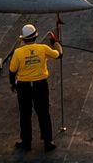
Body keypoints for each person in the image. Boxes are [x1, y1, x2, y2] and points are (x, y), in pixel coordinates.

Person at [8, 23, 60, 151]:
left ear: (23, 39)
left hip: (23, 86)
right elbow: (59, 54)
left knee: (25, 114)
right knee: (43, 113)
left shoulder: (18, 52)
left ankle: (26, 142)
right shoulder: (43, 48)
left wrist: (12, 84)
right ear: (36, 36)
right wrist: (55, 42)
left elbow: (12, 70)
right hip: (40, 85)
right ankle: (48, 141)